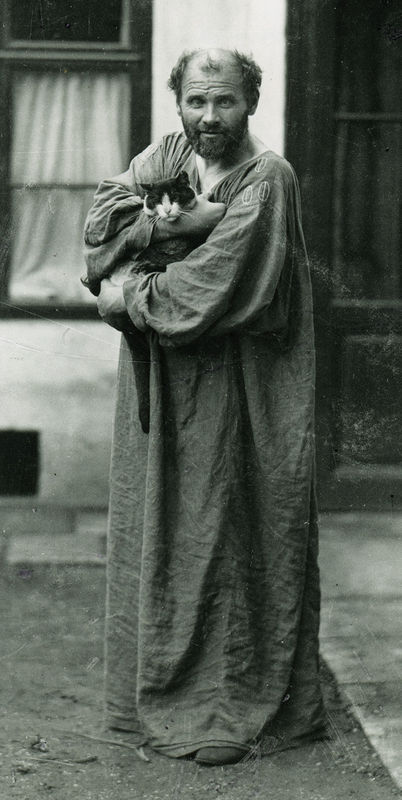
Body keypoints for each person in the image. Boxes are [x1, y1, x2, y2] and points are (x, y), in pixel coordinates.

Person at [83, 48, 326, 766]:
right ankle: (152, 693)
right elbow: (100, 224)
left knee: (228, 530)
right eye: (195, 101)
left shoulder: (268, 178)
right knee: (161, 528)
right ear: (178, 102)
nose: (208, 117)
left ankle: (230, 707)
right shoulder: (168, 154)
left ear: (251, 102)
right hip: (161, 383)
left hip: (240, 390)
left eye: (224, 102)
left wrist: (131, 293)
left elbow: (216, 286)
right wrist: (170, 229)